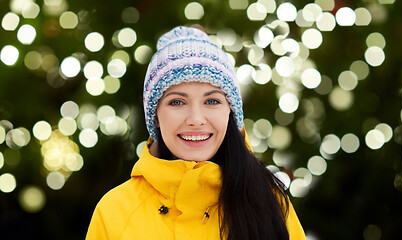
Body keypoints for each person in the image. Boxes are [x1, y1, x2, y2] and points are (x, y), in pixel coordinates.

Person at [86, 26, 306, 240]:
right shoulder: (115, 212)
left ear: (230, 111)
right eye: (177, 102)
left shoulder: (270, 202)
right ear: (156, 116)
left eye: (212, 101)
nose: (196, 120)